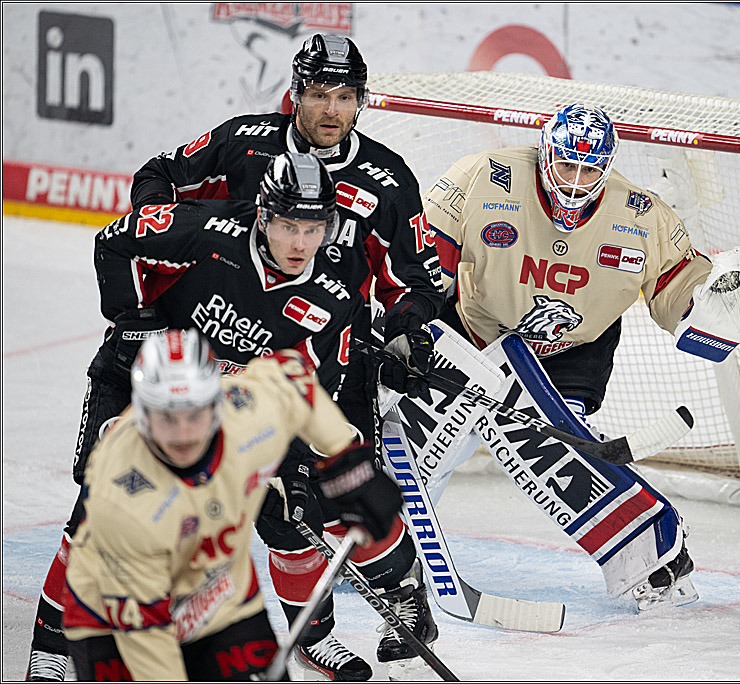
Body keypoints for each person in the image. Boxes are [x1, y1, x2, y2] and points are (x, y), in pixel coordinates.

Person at [24, 152, 413, 681]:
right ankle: (53, 644)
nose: (301, 244)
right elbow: (113, 242)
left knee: (288, 521)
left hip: (226, 411)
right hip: (142, 390)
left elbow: (306, 390)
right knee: (98, 515)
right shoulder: (204, 231)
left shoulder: (333, 296)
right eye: (288, 226)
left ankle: (313, 638)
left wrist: (317, 468)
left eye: (313, 228)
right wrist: (132, 317)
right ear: (262, 215)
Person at [127, 33, 443, 678]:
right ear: (294, 94)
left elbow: (416, 279)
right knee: (279, 508)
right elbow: (155, 178)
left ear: (361, 101)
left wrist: (407, 327)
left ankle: (406, 595)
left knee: (345, 495)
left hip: (332, 355)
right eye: (320, 94)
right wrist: (180, 258)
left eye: (346, 96)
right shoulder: (245, 142)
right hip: (234, 344)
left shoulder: (387, 180)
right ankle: (315, 632)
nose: (332, 110)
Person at [404, 103, 740, 609]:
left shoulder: (641, 216)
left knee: (562, 460)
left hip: (571, 355)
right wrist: (407, 319)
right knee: (423, 449)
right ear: (545, 154)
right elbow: (419, 261)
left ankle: (652, 559)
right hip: (474, 337)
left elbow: (676, 291)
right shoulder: (482, 179)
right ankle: (381, 550)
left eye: (591, 169)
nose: (577, 181)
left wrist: (711, 304)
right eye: (567, 165)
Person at [62, 329, 403, 681]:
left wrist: (346, 460)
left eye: (193, 414)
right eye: (167, 417)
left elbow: (292, 376)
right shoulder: (125, 500)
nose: (183, 435)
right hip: (115, 625)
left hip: (218, 596)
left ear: (216, 403)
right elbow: (146, 638)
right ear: (144, 415)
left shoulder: (245, 414)